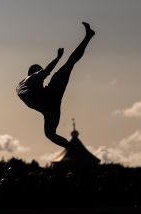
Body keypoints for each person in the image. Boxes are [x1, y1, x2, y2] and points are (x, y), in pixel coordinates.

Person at [16, 22, 95, 150]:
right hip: (50, 97)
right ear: (35, 72)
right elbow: (47, 70)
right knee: (70, 62)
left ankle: (71, 149)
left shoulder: (21, 84)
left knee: (49, 134)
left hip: (47, 109)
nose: (43, 79)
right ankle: (88, 37)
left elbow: (29, 97)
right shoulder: (35, 76)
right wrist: (58, 57)